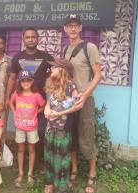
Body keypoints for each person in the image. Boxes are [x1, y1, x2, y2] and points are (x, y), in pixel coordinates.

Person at [5, 27, 53, 172]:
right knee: (21, 132)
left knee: (40, 132)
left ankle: (37, 161)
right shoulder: (17, 57)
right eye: (28, 37)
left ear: (38, 39)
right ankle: (21, 158)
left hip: (40, 103)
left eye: (33, 37)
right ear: (23, 39)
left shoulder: (46, 57)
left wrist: (49, 90)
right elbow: (12, 78)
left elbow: (54, 76)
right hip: (22, 104)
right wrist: (8, 98)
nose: (31, 39)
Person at [63, 14, 102, 193]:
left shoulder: (90, 47)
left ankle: (92, 173)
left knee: (86, 135)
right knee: (70, 136)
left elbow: (98, 75)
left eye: (75, 25)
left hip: (85, 101)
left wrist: (85, 95)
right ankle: (74, 170)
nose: (72, 29)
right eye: (69, 25)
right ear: (65, 29)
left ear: (80, 28)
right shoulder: (65, 50)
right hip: (70, 100)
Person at [43, 58, 82, 193]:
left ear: (62, 70)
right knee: (49, 155)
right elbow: (49, 102)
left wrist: (60, 113)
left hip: (63, 129)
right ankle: (49, 183)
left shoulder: (71, 86)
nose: (51, 70)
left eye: (54, 67)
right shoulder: (54, 84)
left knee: (62, 158)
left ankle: (61, 186)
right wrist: (46, 109)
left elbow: (77, 105)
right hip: (50, 128)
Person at [9, 70, 45, 187]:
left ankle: (29, 174)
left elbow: (44, 106)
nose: (25, 83)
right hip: (20, 127)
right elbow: (10, 102)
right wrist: (14, 112)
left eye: (28, 80)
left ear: (32, 81)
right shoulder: (17, 94)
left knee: (31, 150)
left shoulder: (36, 95)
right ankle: (20, 173)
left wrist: (36, 112)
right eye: (23, 81)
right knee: (20, 150)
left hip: (32, 127)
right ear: (19, 82)